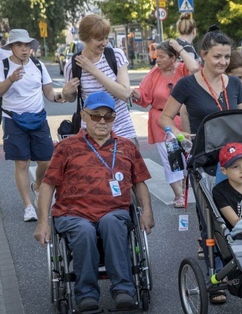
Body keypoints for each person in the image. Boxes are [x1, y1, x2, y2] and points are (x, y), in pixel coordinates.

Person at [32, 92, 154, 312]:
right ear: (83, 116)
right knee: (84, 231)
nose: (101, 121)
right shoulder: (66, 148)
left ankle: (123, 290)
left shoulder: (126, 146)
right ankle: (86, 294)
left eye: (108, 116)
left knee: (112, 223)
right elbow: (48, 185)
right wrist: (42, 223)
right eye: (95, 115)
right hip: (73, 213)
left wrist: (147, 211)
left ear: (114, 118)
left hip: (114, 211)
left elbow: (140, 183)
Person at [159, 28, 242, 280]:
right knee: (209, 217)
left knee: (238, 212)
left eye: (227, 57)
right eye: (217, 57)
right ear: (204, 55)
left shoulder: (237, 84)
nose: (223, 62)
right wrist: (177, 133)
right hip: (204, 160)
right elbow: (165, 118)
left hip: (234, 160)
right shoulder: (188, 84)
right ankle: (216, 271)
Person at [0, 29, 66, 222]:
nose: (24, 49)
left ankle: (37, 186)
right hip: (13, 119)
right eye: (20, 45)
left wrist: (57, 97)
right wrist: (11, 79)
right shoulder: (3, 66)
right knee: (22, 162)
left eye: (27, 45)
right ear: (11, 47)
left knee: (46, 161)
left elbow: (48, 91)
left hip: (38, 118)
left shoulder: (38, 65)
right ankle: (28, 206)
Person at [130, 40, 200, 207]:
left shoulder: (183, 69)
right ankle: (178, 194)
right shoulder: (154, 73)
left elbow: (196, 68)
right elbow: (143, 91)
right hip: (162, 121)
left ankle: (185, 186)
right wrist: (134, 93)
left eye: (162, 57)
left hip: (184, 119)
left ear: (173, 57)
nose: (157, 60)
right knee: (172, 157)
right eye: (157, 57)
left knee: (188, 156)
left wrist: (179, 48)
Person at [61, 14, 138, 142]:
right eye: (99, 39)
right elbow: (72, 98)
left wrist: (93, 70)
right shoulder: (73, 65)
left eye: (106, 38)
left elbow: (125, 93)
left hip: (122, 130)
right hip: (92, 134)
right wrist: (66, 93)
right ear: (86, 39)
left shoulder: (116, 56)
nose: (105, 43)